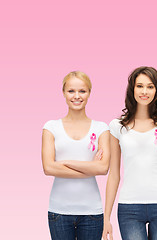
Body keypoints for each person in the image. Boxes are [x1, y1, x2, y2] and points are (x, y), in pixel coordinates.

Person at [103, 66, 157, 240]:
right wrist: (106, 217)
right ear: (132, 89)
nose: (144, 91)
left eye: (150, 86)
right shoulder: (117, 126)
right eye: (140, 86)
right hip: (129, 208)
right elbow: (114, 175)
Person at [42, 71, 110, 240]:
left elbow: (103, 168)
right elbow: (48, 168)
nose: (77, 96)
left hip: (92, 212)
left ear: (89, 93)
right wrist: (90, 167)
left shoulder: (101, 128)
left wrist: (64, 163)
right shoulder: (51, 127)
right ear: (64, 93)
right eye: (71, 91)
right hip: (59, 212)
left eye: (82, 91)